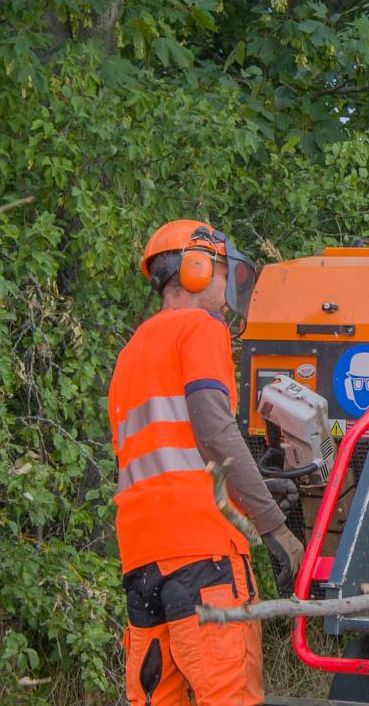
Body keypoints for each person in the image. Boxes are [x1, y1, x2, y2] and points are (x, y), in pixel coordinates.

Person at [110, 219, 304, 705]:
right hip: (203, 559)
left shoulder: (131, 352)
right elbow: (214, 431)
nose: (228, 293)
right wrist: (274, 529)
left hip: (142, 561)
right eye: (222, 274)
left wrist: (253, 481)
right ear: (196, 270)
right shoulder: (200, 328)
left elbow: (175, 453)